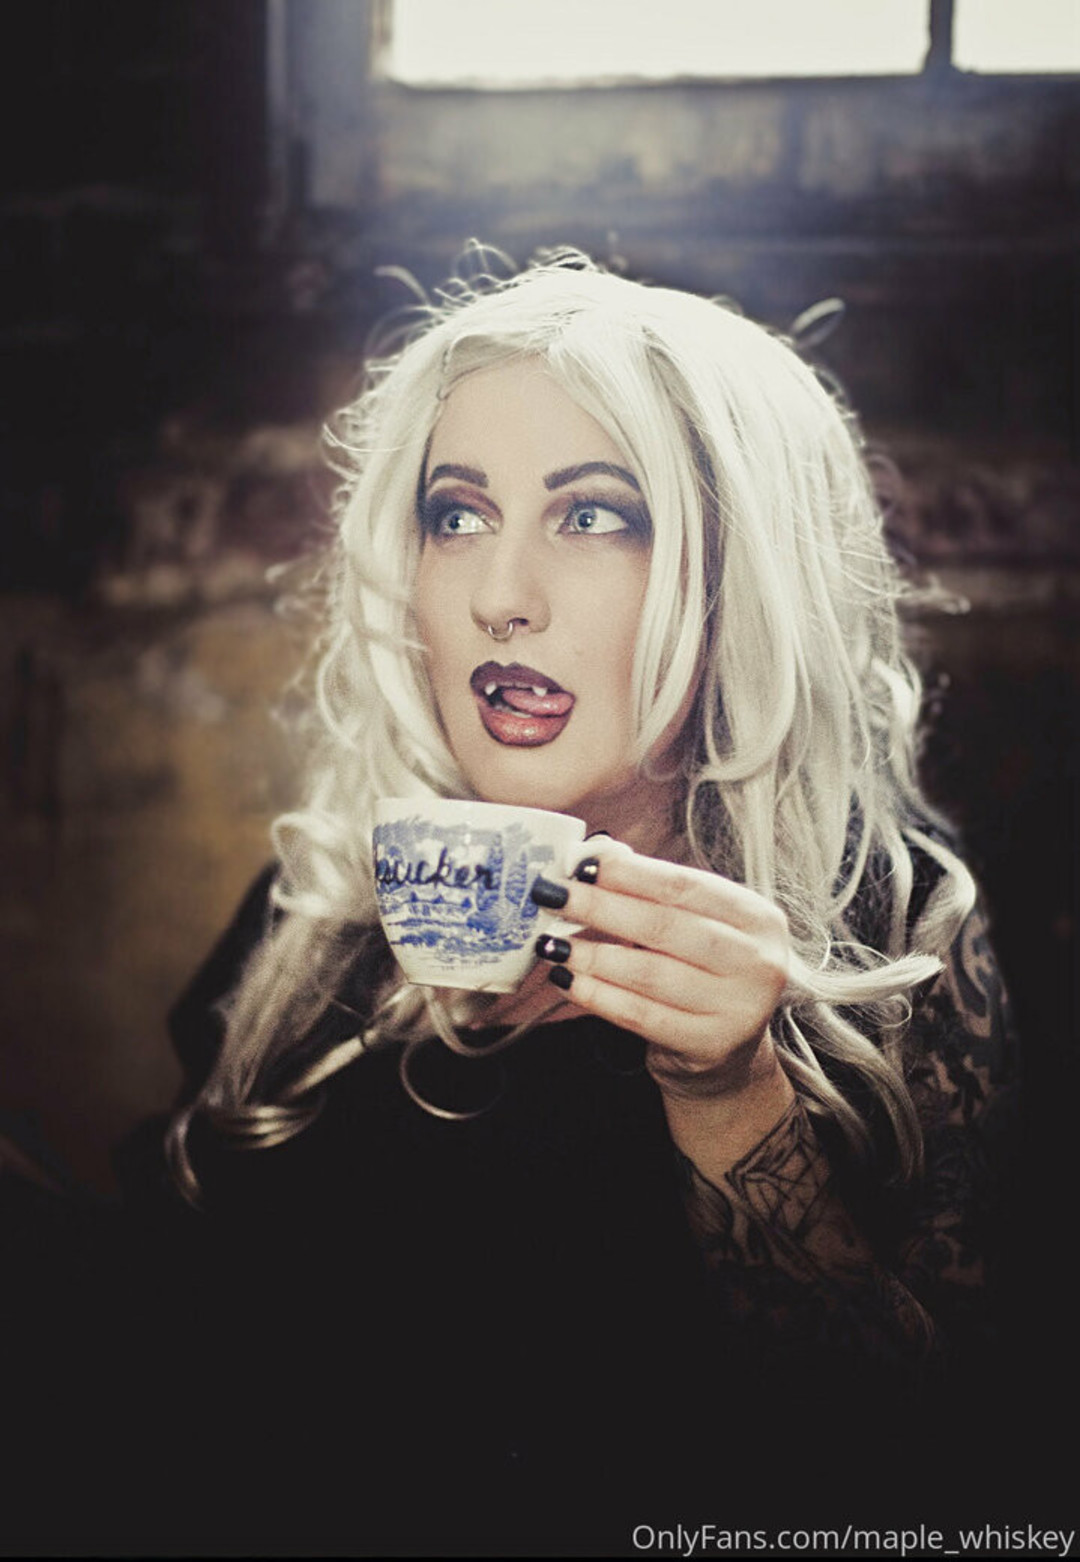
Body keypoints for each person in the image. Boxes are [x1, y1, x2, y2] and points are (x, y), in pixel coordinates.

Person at [125, 249, 1015, 1552]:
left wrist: (730, 1092)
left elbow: (918, 1471)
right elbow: (162, 1330)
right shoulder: (329, 900)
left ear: (741, 571)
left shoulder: (898, 925)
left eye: (594, 516)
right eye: (456, 516)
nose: (498, 598)